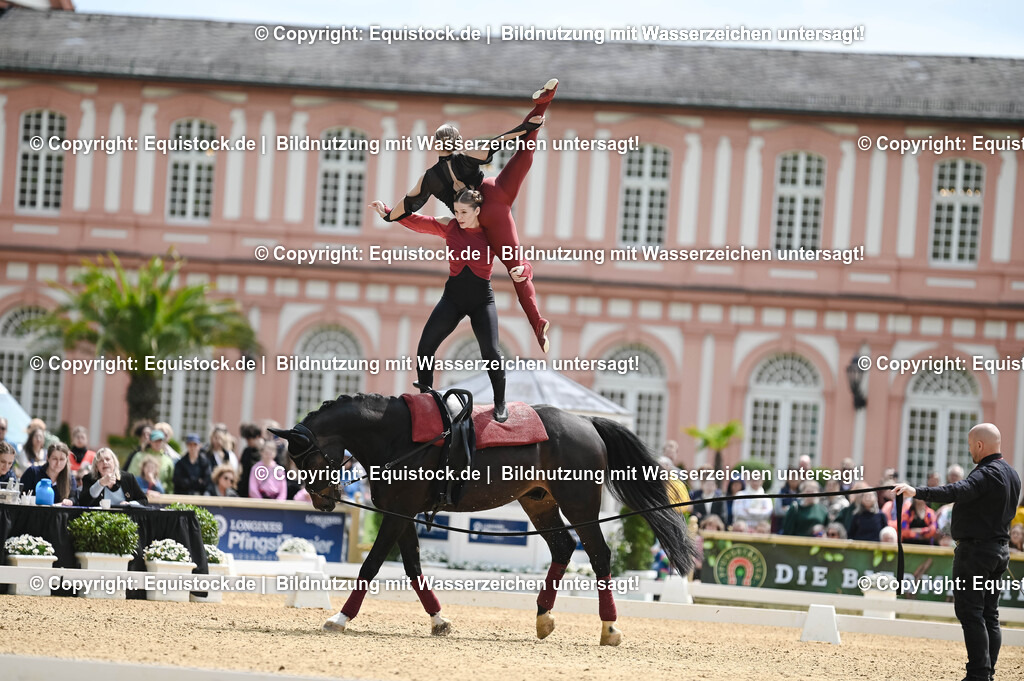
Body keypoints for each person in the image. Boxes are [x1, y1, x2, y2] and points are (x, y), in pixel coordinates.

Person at [382, 79, 559, 353]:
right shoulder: (464, 157)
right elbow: (496, 144)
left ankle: (533, 302)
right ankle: (543, 103)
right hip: (491, 196)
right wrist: (527, 128)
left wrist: (387, 215)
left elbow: (408, 207)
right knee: (524, 156)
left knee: (514, 268)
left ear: (435, 144)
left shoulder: (428, 178)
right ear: (455, 143)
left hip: (475, 218)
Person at [893, 422, 1022, 681]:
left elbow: (956, 491)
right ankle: (987, 673)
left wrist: (917, 491)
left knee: (971, 612)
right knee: (989, 614)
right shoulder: (1012, 474)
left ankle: (978, 675)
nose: (969, 450)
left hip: (976, 555)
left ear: (979, 445)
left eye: (970, 445)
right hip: (998, 552)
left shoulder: (985, 473)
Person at [371, 188, 511, 421]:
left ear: (477, 211)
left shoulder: (491, 233)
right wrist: (388, 213)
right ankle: (426, 396)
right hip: (453, 299)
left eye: (465, 212)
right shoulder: (450, 226)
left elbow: (514, 254)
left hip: (481, 301)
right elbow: (418, 222)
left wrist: (521, 270)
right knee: (425, 347)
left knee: (491, 352)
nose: (460, 216)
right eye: (457, 211)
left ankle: (500, 403)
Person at [79, 448, 149, 506]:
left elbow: (143, 501)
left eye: (108, 459)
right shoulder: (89, 479)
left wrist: (129, 504)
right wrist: (100, 484)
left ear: (114, 462)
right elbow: (83, 502)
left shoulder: (128, 478)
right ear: (96, 467)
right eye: (100, 460)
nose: (105, 462)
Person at [127, 427, 175, 492]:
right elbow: (131, 476)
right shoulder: (139, 456)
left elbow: (170, 483)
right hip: (140, 493)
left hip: (161, 494)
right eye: (155, 440)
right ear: (150, 441)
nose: (158, 443)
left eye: (160, 440)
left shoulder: (168, 460)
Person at [236, 422, 263, 498]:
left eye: (249, 439)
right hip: (245, 488)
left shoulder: (266, 451)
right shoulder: (247, 451)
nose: (247, 442)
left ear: (257, 437)